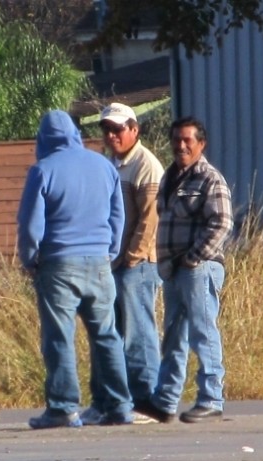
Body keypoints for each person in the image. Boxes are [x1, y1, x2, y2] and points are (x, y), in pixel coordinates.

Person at [17, 109, 134, 429]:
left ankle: (63, 408)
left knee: (59, 337)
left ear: (44, 139)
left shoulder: (42, 170)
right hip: (99, 263)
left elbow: (30, 225)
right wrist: (110, 251)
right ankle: (119, 406)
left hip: (58, 264)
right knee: (107, 335)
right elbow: (118, 216)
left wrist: (30, 259)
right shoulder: (104, 166)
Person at [136, 116, 234, 424]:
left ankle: (211, 398)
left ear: (201, 144)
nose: (181, 145)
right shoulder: (170, 177)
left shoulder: (209, 178)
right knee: (174, 336)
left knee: (202, 332)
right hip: (173, 269)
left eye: (187, 140)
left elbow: (222, 223)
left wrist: (194, 258)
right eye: (176, 139)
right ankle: (165, 401)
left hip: (198, 267)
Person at [80, 103, 164, 425]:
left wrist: (131, 257)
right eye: (106, 129)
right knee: (108, 333)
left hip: (137, 265)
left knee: (138, 332)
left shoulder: (146, 165)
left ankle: (145, 400)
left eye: (118, 129)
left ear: (134, 129)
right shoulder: (110, 165)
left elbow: (150, 218)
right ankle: (107, 401)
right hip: (110, 263)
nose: (111, 135)